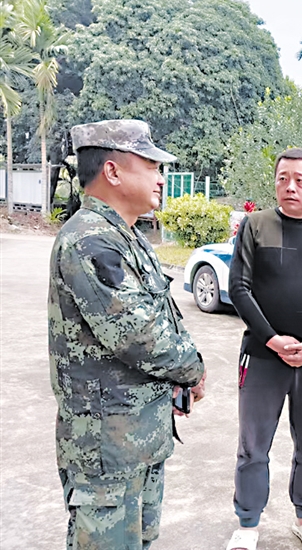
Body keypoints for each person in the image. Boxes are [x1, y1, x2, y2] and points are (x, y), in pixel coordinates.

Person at [49, 119, 206, 549]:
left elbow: (161, 314)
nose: (161, 178)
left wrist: (182, 374)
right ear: (113, 171)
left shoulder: (127, 236)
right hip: (107, 450)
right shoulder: (90, 240)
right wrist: (192, 370)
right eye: (151, 166)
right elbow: (138, 332)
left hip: (138, 440)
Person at [226, 148, 302, 550]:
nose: (290, 186)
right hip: (263, 357)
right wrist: (271, 338)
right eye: (283, 178)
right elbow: (239, 288)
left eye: (300, 179)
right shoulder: (256, 225)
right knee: (253, 445)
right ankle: (248, 524)